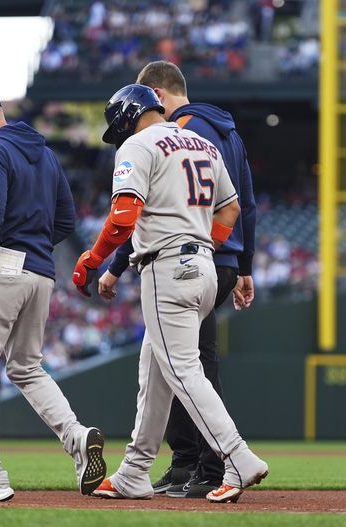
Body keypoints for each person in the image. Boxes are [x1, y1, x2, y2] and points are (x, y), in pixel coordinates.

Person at [72, 84, 268, 503]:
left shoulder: (140, 145)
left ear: (126, 116)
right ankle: (134, 472)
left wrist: (93, 259)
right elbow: (232, 207)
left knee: (181, 371)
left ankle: (237, 457)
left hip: (166, 267)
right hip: (204, 266)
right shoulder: (201, 142)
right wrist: (205, 244)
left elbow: (124, 217)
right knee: (155, 373)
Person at [0, 86, 106, 502]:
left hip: (2, 269)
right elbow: (66, 220)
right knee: (27, 367)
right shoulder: (46, 154)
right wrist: (31, 247)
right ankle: (76, 437)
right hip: (42, 274)